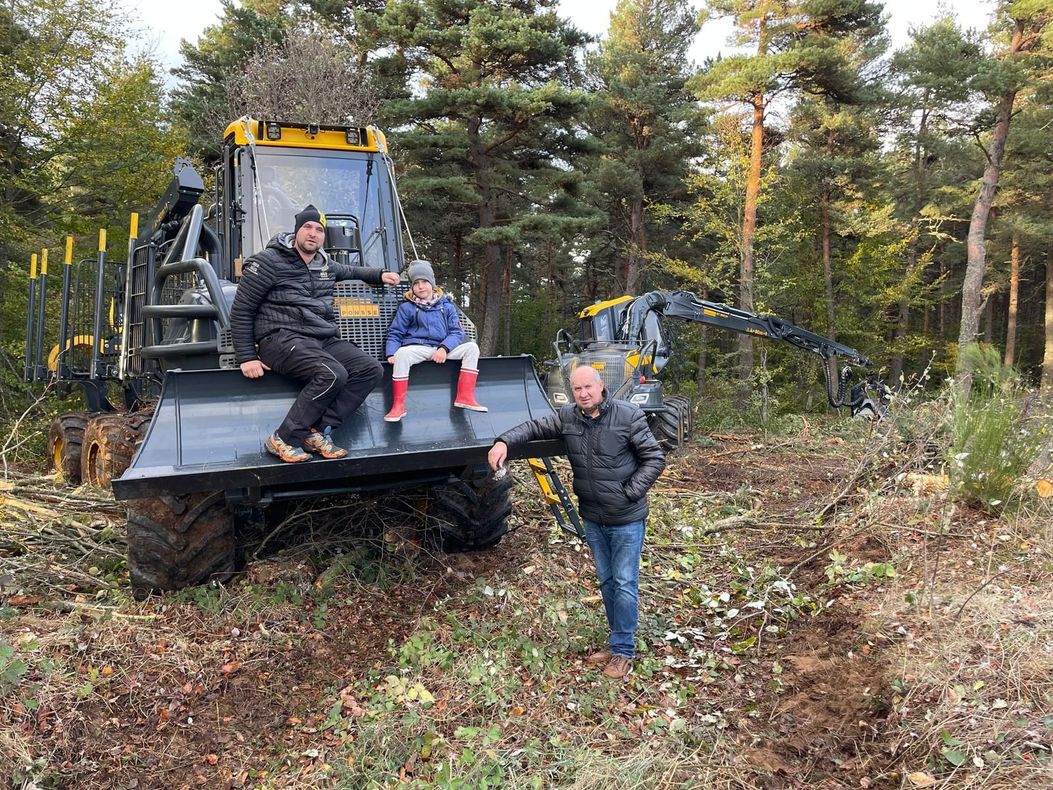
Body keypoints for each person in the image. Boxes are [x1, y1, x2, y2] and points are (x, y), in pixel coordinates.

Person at [487, 365, 666, 679]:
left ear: (601, 386)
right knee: (608, 583)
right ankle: (616, 643)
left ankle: (624, 652)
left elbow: (655, 458)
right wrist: (503, 441)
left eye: (588, 387)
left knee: (625, 584)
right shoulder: (568, 417)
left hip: (626, 519)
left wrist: (629, 493)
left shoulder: (628, 416)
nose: (583, 394)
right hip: (594, 518)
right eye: (577, 389)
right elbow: (534, 427)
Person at [231, 204, 400, 462]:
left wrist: (380, 274)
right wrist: (246, 356)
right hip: (279, 338)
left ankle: (317, 431)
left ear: (323, 237)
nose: (313, 233)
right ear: (296, 231)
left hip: (319, 338)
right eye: (307, 227)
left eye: (319, 230)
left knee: (370, 369)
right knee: (332, 374)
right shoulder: (267, 262)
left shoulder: (324, 264)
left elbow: (351, 271)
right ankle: (283, 438)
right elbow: (242, 309)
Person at [383, 259, 487, 422]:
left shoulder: (447, 306)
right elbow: (396, 332)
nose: (421, 286)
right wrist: (391, 352)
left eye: (424, 282)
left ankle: (465, 397)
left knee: (472, 348)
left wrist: (444, 348)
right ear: (412, 287)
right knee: (401, 354)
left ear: (432, 284)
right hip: (419, 348)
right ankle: (398, 406)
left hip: (443, 348)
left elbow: (457, 332)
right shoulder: (407, 308)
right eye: (416, 283)